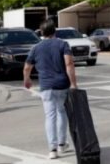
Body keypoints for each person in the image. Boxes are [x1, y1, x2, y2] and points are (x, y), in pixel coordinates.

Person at [24, 21, 78, 160]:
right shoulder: (63, 44)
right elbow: (69, 64)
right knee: (62, 112)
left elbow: (27, 67)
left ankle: (52, 149)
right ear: (55, 31)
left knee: (50, 116)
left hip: (46, 86)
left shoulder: (36, 48)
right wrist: (73, 83)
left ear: (42, 33)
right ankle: (61, 143)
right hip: (62, 84)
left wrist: (27, 80)